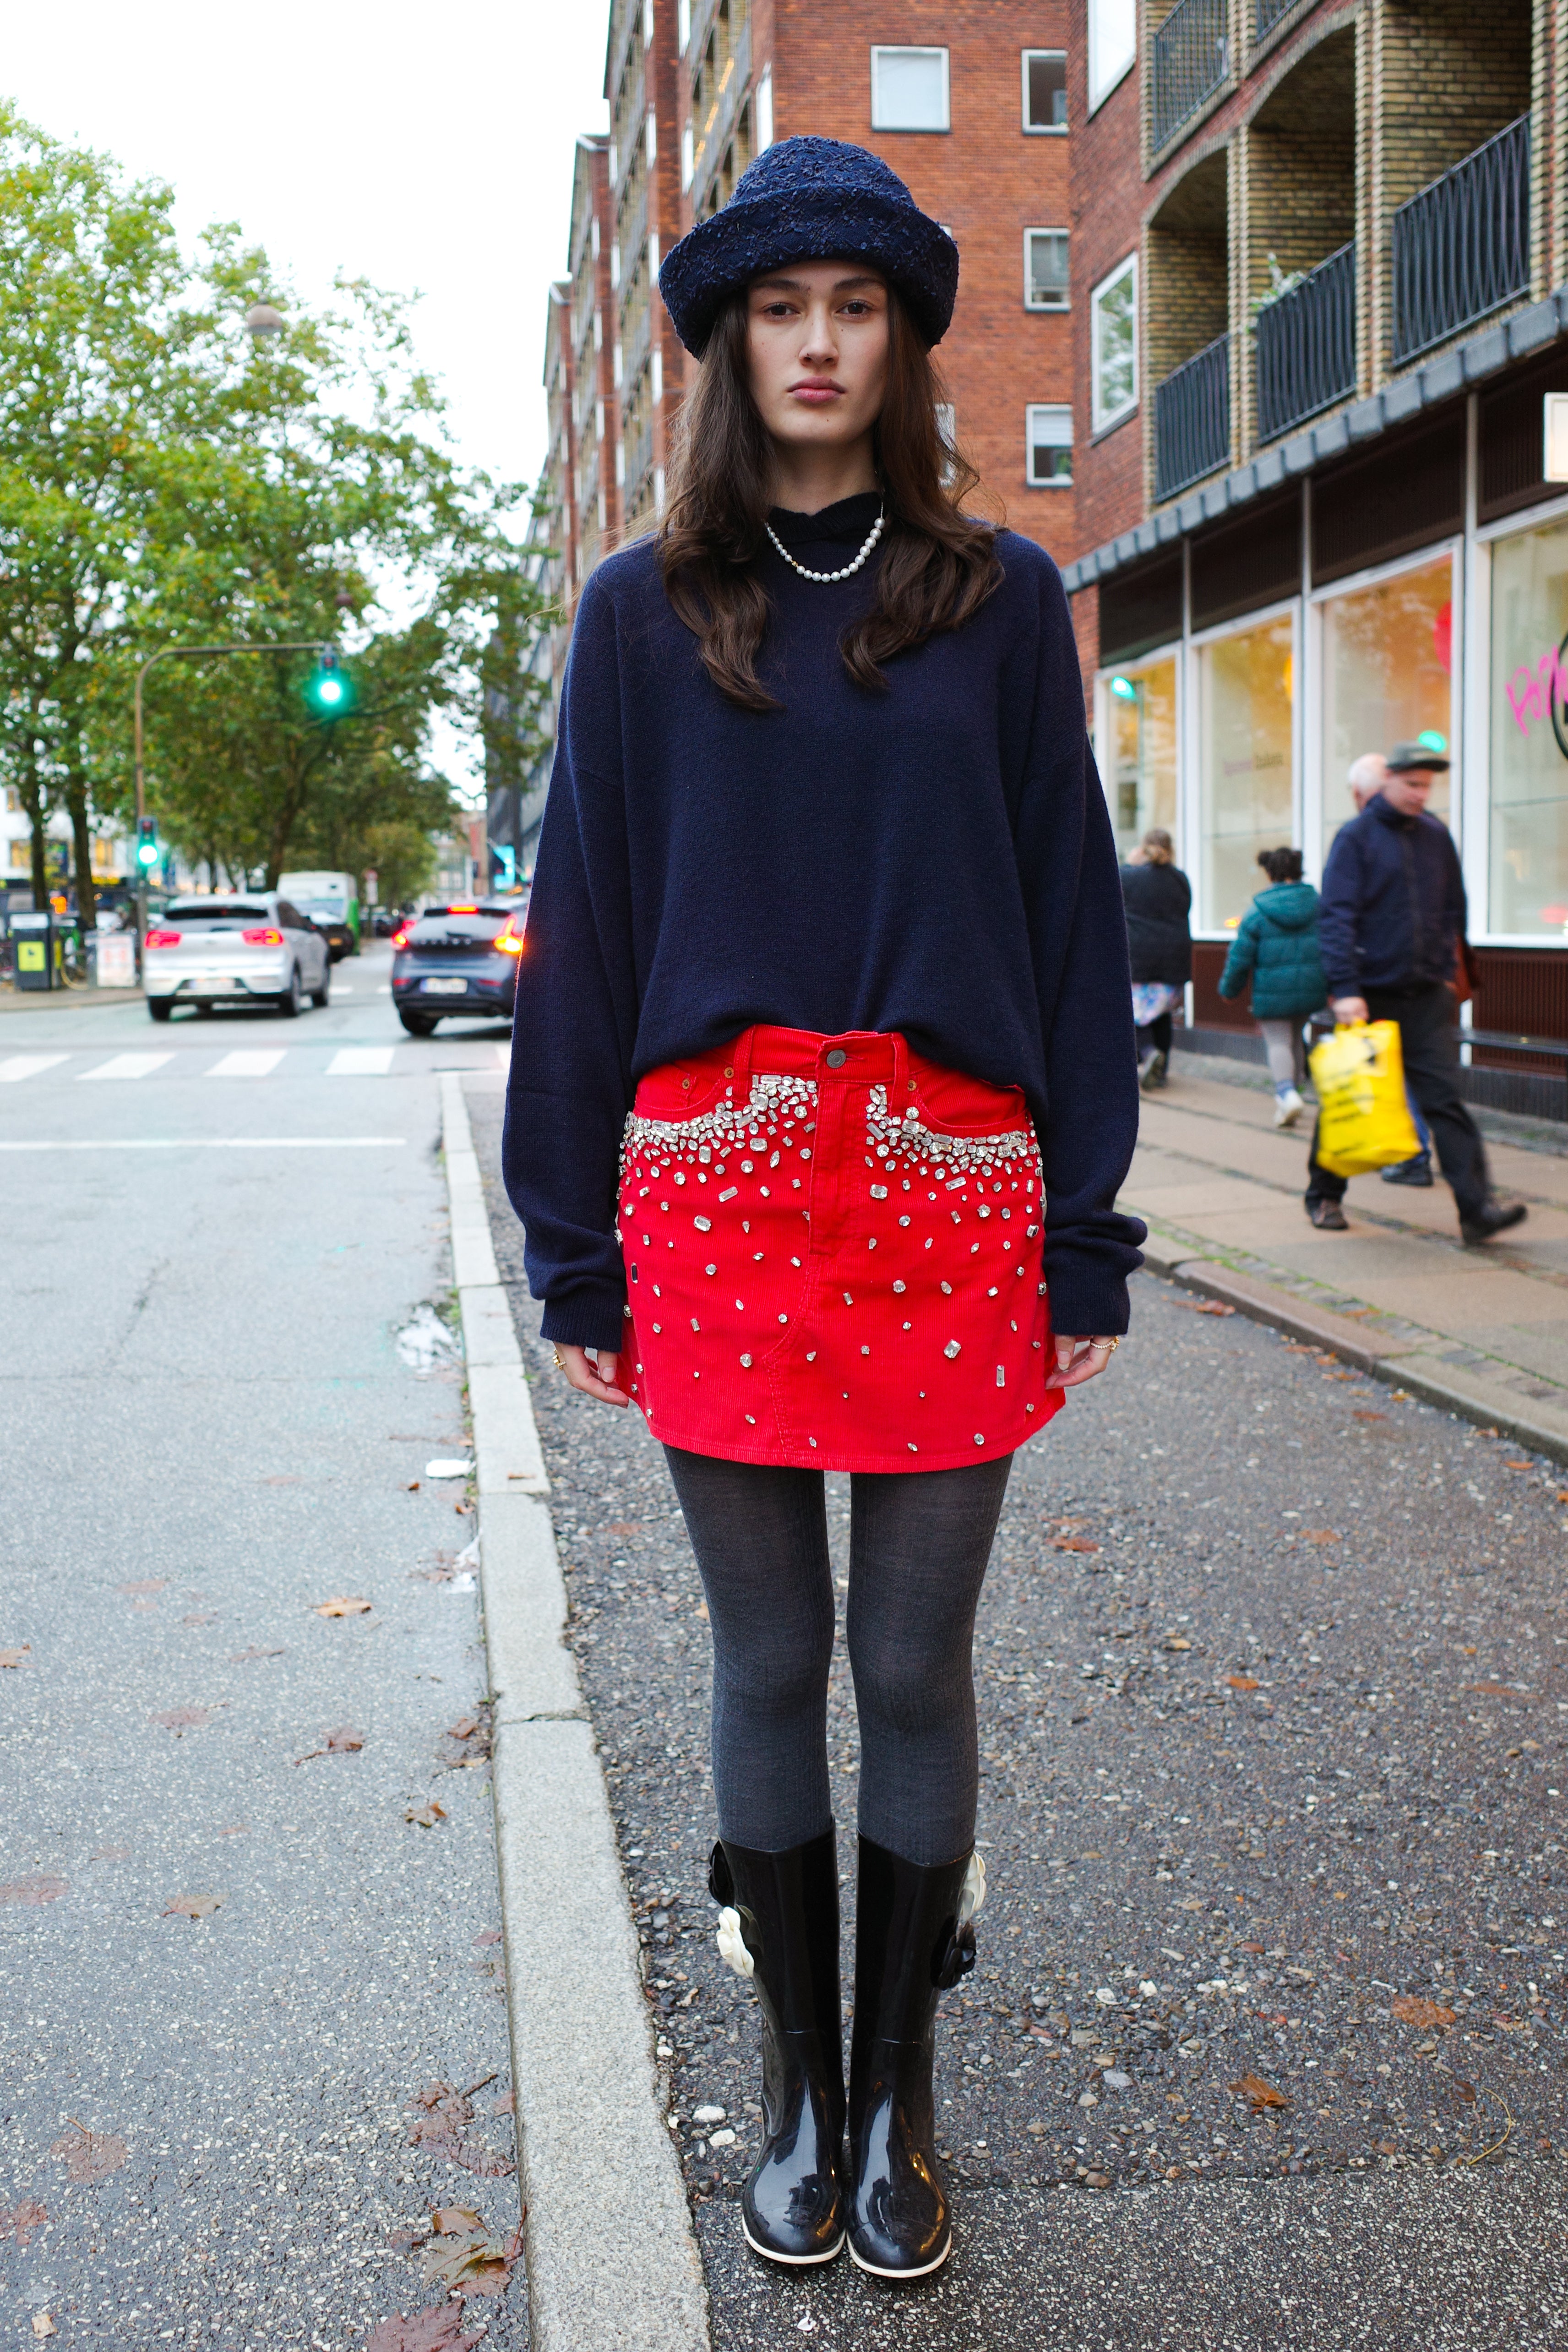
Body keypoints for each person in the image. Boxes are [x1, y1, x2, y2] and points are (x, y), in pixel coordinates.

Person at [502, 136, 1144, 2283]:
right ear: (722, 340)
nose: (815, 344)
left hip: (958, 1178)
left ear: (900, 341)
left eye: (853, 308)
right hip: (716, 1181)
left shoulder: (999, 599)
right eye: (779, 310)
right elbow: (579, 926)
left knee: (914, 1652)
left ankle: (901, 2100)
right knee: (772, 1648)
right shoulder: (634, 614)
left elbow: (1062, 918)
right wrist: (564, 1231)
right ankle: (794, 2085)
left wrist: (1088, 1229)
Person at [1307, 741, 1524, 1243]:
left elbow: (1453, 907)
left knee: (1444, 1100)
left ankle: (1476, 1211)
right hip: (1368, 994)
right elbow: (1335, 917)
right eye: (1412, 784)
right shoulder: (1355, 838)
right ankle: (1323, 1196)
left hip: (1426, 993)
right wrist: (1344, 988)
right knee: (1350, 1095)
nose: (1421, 794)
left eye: (1427, 786)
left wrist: (1449, 971)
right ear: (1386, 783)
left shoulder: (1435, 835)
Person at [1343, 752, 1434, 1185]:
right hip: (1391, 980)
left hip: (1389, 982)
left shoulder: (1390, 836)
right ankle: (1403, 1152)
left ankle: (1409, 1154)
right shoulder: (1367, 838)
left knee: (1385, 1071)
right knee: (1390, 1070)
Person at [1217, 846, 1325, 1127]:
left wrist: (1230, 990)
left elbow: (1240, 957)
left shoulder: (1258, 911)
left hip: (1272, 990)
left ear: (1270, 872)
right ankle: (1297, 1091)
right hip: (1311, 987)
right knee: (1297, 1038)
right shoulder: (1318, 904)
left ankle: (1287, 1094)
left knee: (1279, 1041)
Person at [1120, 828, 1192, 1090]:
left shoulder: (1129, 876)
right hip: (1175, 955)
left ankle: (1149, 1054)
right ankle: (1161, 1072)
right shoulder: (1181, 879)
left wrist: (1132, 862)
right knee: (1162, 1015)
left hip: (1141, 956)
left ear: (1143, 848)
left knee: (1135, 1014)